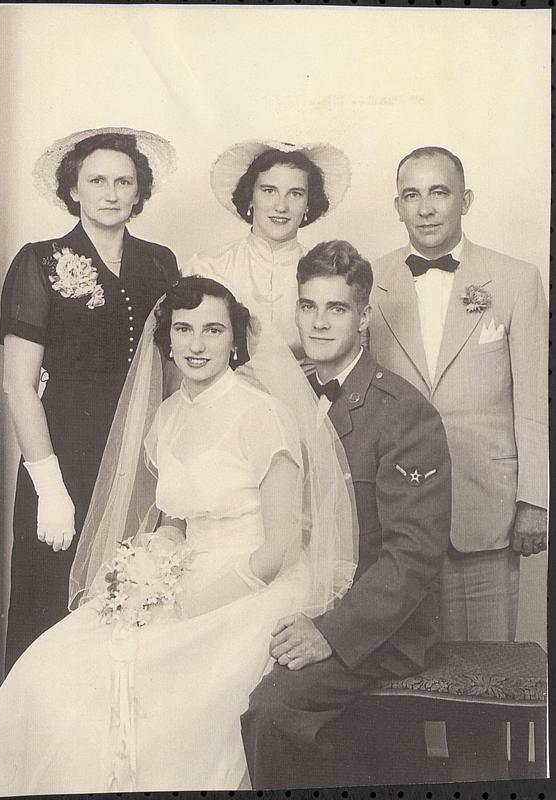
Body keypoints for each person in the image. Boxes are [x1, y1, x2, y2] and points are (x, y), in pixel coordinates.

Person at [0, 276, 357, 795]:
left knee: (145, 691)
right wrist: (143, 572)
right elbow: (175, 522)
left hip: (251, 588)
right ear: (166, 339)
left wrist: (193, 604)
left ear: (235, 340)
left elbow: (280, 549)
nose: (197, 344)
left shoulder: (262, 414)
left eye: (212, 329)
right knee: (47, 669)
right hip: (181, 575)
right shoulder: (167, 416)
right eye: (183, 330)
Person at [241, 240, 452, 789]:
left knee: (272, 708)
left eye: (336, 308)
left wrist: (330, 634)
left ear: (363, 318)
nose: (318, 321)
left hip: (374, 627)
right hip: (295, 597)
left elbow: (413, 558)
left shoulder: (403, 413)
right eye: (308, 306)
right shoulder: (286, 396)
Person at [0, 127, 179, 672]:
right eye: (96, 180)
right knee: (53, 603)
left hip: (143, 451)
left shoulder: (160, 262)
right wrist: (48, 486)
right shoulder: (39, 261)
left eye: (123, 181)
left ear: (138, 191)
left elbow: (174, 370)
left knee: (136, 604)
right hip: (65, 455)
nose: (110, 192)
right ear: (73, 189)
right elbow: (18, 385)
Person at [368, 146, 548, 642]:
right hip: (395, 518)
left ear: (465, 200)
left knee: (483, 685)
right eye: (412, 195)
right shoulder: (369, 282)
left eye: (439, 192)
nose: (425, 208)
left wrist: (534, 499)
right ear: (397, 205)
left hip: (485, 509)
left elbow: (535, 402)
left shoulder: (516, 279)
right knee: (401, 686)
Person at [185, 139, 351, 361]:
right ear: (250, 196)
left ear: (308, 203)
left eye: (295, 194)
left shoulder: (329, 274)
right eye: (269, 190)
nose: (281, 206)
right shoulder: (208, 267)